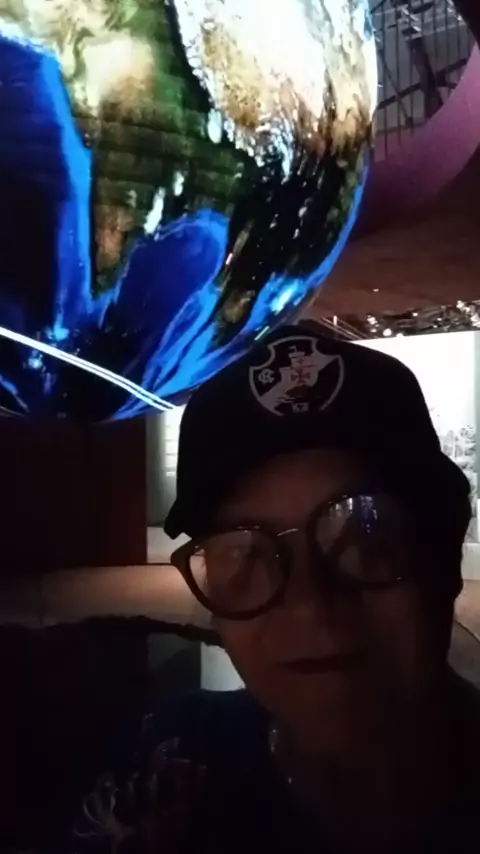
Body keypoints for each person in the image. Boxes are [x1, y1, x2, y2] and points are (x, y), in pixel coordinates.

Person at [72, 324, 479, 854]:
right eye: (246, 554)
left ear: (447, 553)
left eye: (368, 536)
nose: (309, 606)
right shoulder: (161, 764)